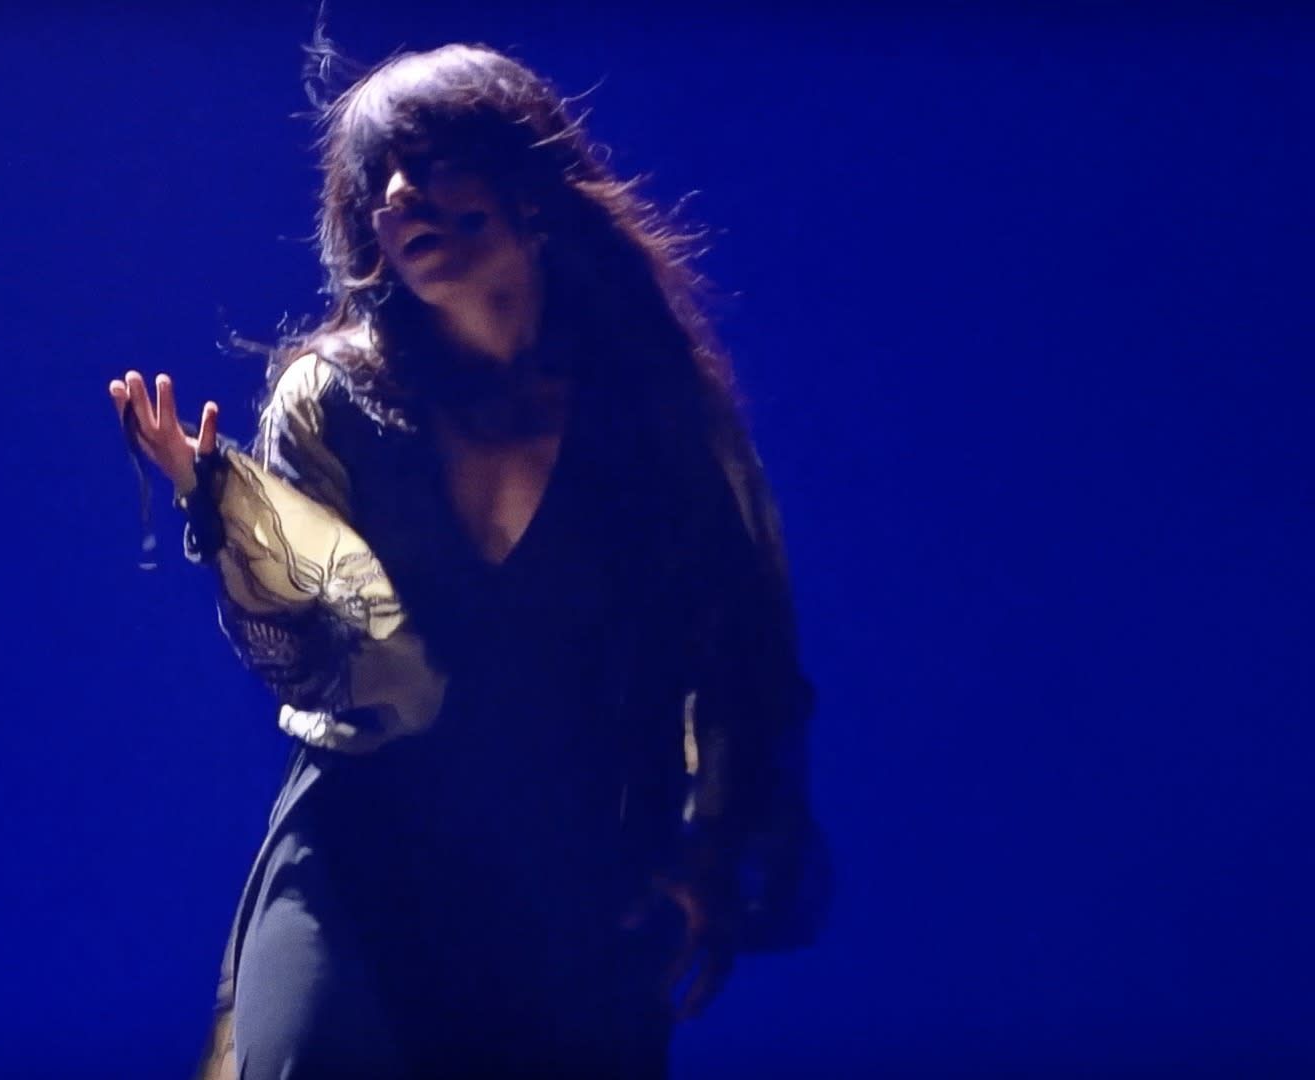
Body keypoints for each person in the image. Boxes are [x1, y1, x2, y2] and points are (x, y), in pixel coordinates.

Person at [110, 42, 825, 1080]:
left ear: (529, 190)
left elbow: (741, 654)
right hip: (363, 858)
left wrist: (705, 856)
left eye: (435, 159)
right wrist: (229, 517)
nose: (403, 194)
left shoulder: (653, 412)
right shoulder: (330, 399)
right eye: (382, 180)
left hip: (574, 879)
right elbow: (334, 661)